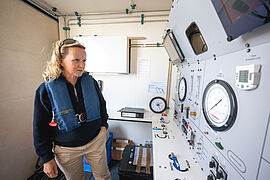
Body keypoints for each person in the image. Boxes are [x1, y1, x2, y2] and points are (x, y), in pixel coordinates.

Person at [33, 38, 111, 180]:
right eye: (76, 60)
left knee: (104, 177)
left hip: (95, 141)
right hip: (66, 149)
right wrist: (46, 158)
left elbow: (102, 104)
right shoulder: (45, 89)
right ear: (61, 61)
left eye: (84, 61)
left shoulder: (90, 81)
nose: (81, 65)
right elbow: (40, 126)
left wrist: (103, 127)